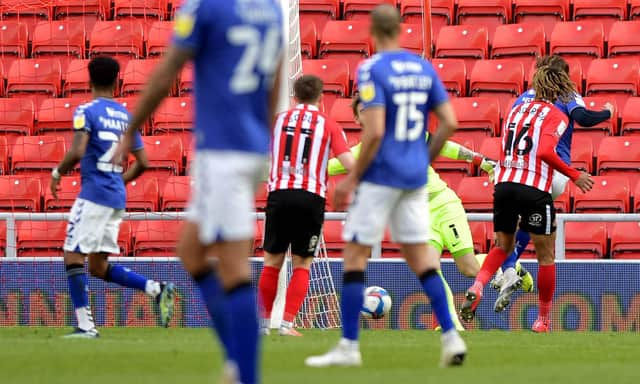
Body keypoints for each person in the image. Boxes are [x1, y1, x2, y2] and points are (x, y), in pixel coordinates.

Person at [112, 0, 284, 382]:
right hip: (250, 145)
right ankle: (236, 363)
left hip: (223, 149)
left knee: (235, 271)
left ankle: (246, 374)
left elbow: (168, 70)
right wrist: (262, 142)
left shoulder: (205, 6)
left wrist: (131, 128)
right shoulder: (271, 9)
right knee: (191, 252)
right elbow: (274, 83)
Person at [305, 4, 466, 368]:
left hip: (381, 176)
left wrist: (352, 178)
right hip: (413, 178)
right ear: (401, 29)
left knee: (355, 256)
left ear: (372, 32)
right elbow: (450, 123)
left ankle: (348, 346)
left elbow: (375, 131)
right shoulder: (423, 68)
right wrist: (423, 160)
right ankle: (451, 337)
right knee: (422, 259)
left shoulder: (372, 69)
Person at [327, 97, 534, 331]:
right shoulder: (361, 152)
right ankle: (450, 324)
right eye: (363, 111)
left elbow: (444, 145)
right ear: (357, 118)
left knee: (468, 268)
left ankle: (511, 267)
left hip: (444, 205)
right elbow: (329, 166)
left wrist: (480, 160)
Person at [460, 62, 595, 332]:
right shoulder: (556, 115)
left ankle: (478, 286)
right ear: (561, 86)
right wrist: (574, 175)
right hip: (533, 188)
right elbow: (545, 150)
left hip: (505, 184)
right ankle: (543, 320)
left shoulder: (515, 109)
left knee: (501, 246)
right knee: (545, 257)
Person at [49, 56, 176, 338]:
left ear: (89, 80)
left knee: (72, 254)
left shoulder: (86, 111)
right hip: (116, 198)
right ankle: (156, 289)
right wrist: (120, 180)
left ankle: (85, 326)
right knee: (97, 265)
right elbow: (143, 162)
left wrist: (58, 172)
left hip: (94, 194)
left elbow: (79, 151)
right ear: (117, 81)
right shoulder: (125, 117)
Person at [492, 55, 614, 311]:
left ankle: (507, 268)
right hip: (555, 173)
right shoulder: (567, 93)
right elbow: (584, 117)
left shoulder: (524, 97)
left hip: (522, 170)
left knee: (509, 225)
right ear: (565, 76)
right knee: (532, 224)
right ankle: (515, 276)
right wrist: (608, 112)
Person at [258, 75, 354, 337]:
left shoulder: (277, 121)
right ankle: (287, 324)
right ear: (320, 96)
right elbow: (347, 162)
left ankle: (264, 324)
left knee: (272, 262)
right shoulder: (329, 124)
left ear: (295, 96)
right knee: (302, 263)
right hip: (311, 197)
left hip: (279, 193)